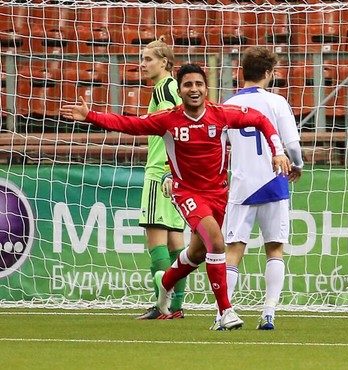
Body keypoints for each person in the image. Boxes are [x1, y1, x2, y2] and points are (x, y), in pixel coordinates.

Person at [61, 63, 291, 330]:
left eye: (198, 84)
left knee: (196, 252)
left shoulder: (222, 114)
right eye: (188, 85)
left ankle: (165, 285)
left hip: (218, 194)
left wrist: (278, 151)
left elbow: (261, 121)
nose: (194, 89)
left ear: (206, 88)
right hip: (187, 193)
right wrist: (91, 116)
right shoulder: (168, 119)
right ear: (180, 90)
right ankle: (225, 312)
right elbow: (129, 124)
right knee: (217, 244)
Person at [212, 46, 303, 330]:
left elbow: (216, 148)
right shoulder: (276, 102)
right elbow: (292, 145)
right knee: (275, 249)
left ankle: (222, 314)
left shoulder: (225, 105)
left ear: (242, 72)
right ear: (268, 73)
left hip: (241, 185)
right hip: (275, 180)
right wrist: (297, 165)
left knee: (233, 250)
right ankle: (268, 313)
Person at [135, 37, 187, 320]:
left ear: (165, 62)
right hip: (177, 175)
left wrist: (166, 167)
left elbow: (174, 129)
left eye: (148, 59)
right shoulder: (172, 89)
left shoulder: (164, 90)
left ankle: (161, 304)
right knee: (175, 242)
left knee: (156, 240)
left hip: (160, 173)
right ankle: (176, 305)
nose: (143, 64)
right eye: (142, 59)